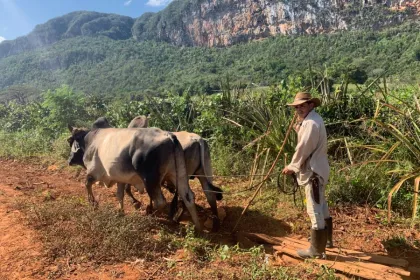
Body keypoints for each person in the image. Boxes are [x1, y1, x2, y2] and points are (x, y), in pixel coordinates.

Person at [282, 92, 333, 259]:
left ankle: (317, 251)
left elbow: (303, 147)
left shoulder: (311, 123)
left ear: (311, 105)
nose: (298, 109)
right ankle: (327, 241)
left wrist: (292, 166)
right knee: (322, 204)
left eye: (302, 105)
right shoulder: (311, 120)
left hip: (313, 171)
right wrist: (299, 124)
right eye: (296, 107)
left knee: (314, 208)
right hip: (319, 168)